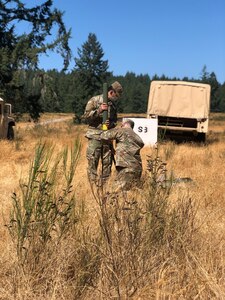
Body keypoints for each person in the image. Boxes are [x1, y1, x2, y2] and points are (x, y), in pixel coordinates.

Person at [82, 81, 123, 185]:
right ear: (111, 92)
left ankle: (104, 187)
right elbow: (85, 117)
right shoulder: (95, 100)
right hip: (95, 136)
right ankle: (92, 187)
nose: (117, 98)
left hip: (107, 139)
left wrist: (110, 124)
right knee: (93, 162)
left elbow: (114, 122)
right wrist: (99, 110)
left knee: (107, 163)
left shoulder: (113, 106)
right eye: (116, 95)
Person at [100, 119, 144, 191]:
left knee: (114, 193)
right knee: (132, 192)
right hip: (137, 168)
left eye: (122, 124)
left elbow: (103, 135)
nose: (121, 125)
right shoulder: (138, 137)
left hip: (126, 168)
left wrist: (105, 126)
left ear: (125, 124)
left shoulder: (122, 131)